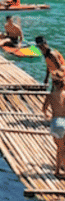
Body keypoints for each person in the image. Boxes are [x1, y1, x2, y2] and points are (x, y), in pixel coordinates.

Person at [37, 36, 65, 178]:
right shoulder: (46, 55)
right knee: (61, 146)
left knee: (60, 146)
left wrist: (56, 79)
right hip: (61, 121)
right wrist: (47, 77)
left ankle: (60, 166)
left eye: (41, 46)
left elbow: (59, 68)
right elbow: (50, 68)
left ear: (45, 44)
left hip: (54, 122)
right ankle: (59, 168)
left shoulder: (52, 54)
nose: (41, 48)